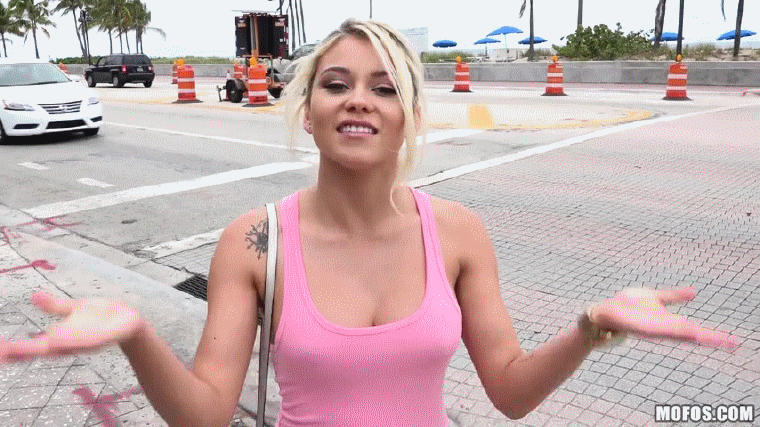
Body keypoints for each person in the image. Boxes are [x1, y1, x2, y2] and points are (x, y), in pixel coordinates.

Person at [0, 18, 738, 427]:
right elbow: (206, 414)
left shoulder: (458, 233)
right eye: (336, 84)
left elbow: (510, 393)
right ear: (309, 112)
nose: (359, 99)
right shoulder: (255, 242)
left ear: (408, 116)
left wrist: (589, 327)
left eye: (384, 88)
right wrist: (136, 334)